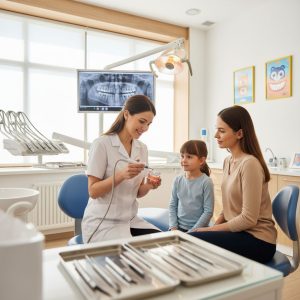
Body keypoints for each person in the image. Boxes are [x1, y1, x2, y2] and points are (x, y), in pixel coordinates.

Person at [189, 105, 277, 264]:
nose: (216, 135)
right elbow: (230, 207)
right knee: (192, 237)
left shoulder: (250, 164)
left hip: (258, 240)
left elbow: (248, 219)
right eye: (217, 130)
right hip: (239, 233)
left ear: (240, 133)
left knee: (192, 240)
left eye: (222, 131)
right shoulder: (228, 161)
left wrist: (211, 230)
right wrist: (213, 228)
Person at [82, 95, 161, 243]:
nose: (145, 128)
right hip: (102, 223)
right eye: (142, 122)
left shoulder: (142, 149)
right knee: (131, 257)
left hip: (129, 219)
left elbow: (137, 193)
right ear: (126, 114)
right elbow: (93, 191)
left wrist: (149, 185)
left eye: (149, 124)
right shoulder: (102, 144)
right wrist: (121, 175)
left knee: (161, 242)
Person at [169, 140, 214, 232]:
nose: (184, 160)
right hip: (178, 228)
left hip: (198, 230)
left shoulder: (206, 182)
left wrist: (193, 231)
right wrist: (173, 227)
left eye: (189, 157)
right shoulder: (177, 180)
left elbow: (208, 212)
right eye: (182, 156)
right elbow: (172, 205)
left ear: (201, 160)